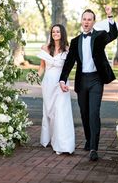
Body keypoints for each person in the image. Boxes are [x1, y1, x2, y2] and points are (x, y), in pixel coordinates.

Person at [59, 5, 118, 161]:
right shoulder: (75, 41)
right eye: (84, 19)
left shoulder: (100, 36)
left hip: (96, 80)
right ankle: (88, 138)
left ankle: (93, 147)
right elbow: (69, 62)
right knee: (84, 114)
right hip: (82, 81)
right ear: (81, 21)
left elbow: (113, 34)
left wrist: (110, 16)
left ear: (93, 22)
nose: (86, 22)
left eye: (89, 19)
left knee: (93, 113)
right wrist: (62, 79)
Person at [37, 24, 75, 155]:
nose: (55, 34)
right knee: (49, 111)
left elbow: (69, 68)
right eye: (53, 32)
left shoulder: (68, 50)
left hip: (61, 84)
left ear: (62, 33)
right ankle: (49, 138)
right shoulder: (45, 48)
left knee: (60, 111)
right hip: (47, 83)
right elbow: (42, 67)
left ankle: (62, 143)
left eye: (58, 31)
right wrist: (35, 77)